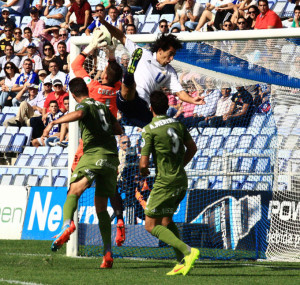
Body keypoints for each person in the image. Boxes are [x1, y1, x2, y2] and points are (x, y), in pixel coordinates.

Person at [45, 77, 123, 269]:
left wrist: (54, 121)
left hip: (94, 153)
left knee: (73, 191)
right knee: (101, 208)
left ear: (72, 94)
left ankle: (66, 225)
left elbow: (79, 115)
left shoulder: (85, 106)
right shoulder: (103, 106)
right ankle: (107, 253)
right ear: (86, 89)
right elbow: (118, 128)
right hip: (112, 158)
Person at [70, 29, 125, 246]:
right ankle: (120, 220)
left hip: (91, 143)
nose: (101, 71)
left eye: (103, 71)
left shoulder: (92, 88)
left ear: (103, 76)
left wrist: (91, 47)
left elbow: (76, 67)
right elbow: (116, 73)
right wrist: (111, 53)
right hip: (110, 144)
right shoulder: (117, 88)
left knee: (75, 182)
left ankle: (69, 221)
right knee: (111, 188)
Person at [100, 18, 203, 127]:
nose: (172, 58)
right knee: (129, 91)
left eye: (173, 55)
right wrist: (105, 23)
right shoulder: (143, 53)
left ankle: (129, 77)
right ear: (160, 51)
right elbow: (121, 36)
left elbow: (180, 93)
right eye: (170, 54)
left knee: (155, 129)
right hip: (128, 98)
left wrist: (192, 100)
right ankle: (129, 76)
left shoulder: (169, 72)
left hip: (141, 107)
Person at [139, 90, 198, 276]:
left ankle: (188, 251)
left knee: (150, 225)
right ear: (168, 107)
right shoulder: (178, 124)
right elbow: (193, 148)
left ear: (151, 108)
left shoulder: (149, 129)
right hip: (181, 179)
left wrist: (143, 171)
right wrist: (180, 166)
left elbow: (143, 163)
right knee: (166, 220)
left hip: (165, 182)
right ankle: (181, 262)